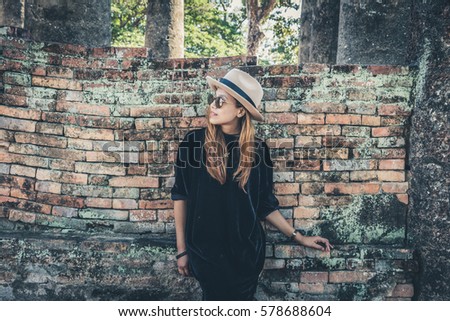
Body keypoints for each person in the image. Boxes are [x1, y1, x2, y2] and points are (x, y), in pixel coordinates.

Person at [171, 68, 333, 301]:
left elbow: (264, 204)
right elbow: (180, 196)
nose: (212, 106)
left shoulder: (257, 150)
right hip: (205, 254)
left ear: (240, 111)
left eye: (220, 101)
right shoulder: (194, 143)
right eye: (212, 99)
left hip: (245, 256)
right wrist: (182, 250)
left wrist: (299, 237)